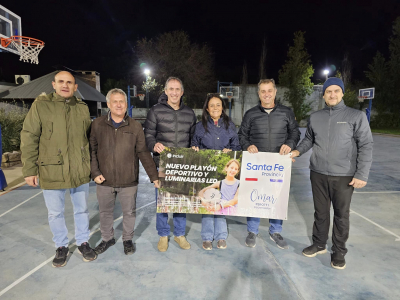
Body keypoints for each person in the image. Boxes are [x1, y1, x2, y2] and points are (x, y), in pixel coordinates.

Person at [290, 77, 373, 270]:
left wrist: (362, 173)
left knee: (341, 215)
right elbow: (309, 139)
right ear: (324, 94)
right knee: (320, 212)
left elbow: (366, 145)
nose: (332, 94)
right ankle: (319, 244)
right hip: (317, 173)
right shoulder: (315, 117)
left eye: (336, 91)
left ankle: (338, 251)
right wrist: (297, 151)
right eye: (329, 91)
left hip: (344, 175)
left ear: (342, 93)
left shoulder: (356, 116)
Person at [21, 71, 97, 267]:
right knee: (55, 213)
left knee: (82, 210)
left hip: (79, 168)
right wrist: (29, 169)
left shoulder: (82, 108)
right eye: (61, 82)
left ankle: (83, 242)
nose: (65, 85)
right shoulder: (41, 106)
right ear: (54, 84)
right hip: (51, 169)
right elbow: (29, 136)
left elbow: (90, 139)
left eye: (69, 82)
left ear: (75, 87)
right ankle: (61, 246)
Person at [89, 88, 159, 256]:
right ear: (108, 104)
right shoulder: (97, 124)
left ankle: (127, 239)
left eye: (122, 101)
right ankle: (107, 239)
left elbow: (143, 152)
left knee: (129, 212)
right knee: (105, 212)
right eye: (115, 101)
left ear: (126, 104)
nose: (119, 105)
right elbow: (92, 151)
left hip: (129, 180)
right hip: (104, 179)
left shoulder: (135, 126)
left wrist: (154, 177)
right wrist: (95, 172)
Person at [238, 78, 300, 249]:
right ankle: (252, 231)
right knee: (254, 196)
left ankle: (275, 231)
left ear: (275, 92)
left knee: (277, 197)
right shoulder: (250, 114)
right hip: (256, 165)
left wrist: (290, 144)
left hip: (278, 165)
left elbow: (295, 133)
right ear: (259, 94)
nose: (266, 94)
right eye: (263, 91)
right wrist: (247, 145)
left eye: (269, 90)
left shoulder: (286, 112)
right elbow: (242, 135)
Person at [144, 77, 197, 252]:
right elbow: (148, 135)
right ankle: (163, 235)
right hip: (163, 164)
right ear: (165, 91)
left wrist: (195, 147)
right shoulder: (155, 111)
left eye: (177, 89)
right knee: (163, 202)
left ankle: (179, 234)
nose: (174, 92)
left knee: (182, 201)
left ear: (182, 92)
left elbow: (193, 137)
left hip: (183, 165)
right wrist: (154, 145)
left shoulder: (189, 113)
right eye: (171, 89)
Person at [191, 93, 241, 250]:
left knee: (221, 203)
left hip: (222, 172)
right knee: (208, 203)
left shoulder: (230, 126)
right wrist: (195, 149)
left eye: (218, 105)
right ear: (207, 108)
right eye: (211, 105)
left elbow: (237, 147)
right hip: (206, 170)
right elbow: (194, 144)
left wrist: (230, 151)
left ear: (222, 108)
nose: (215, 108)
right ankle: (206, 237)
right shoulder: (199, 126)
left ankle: (221, 236)